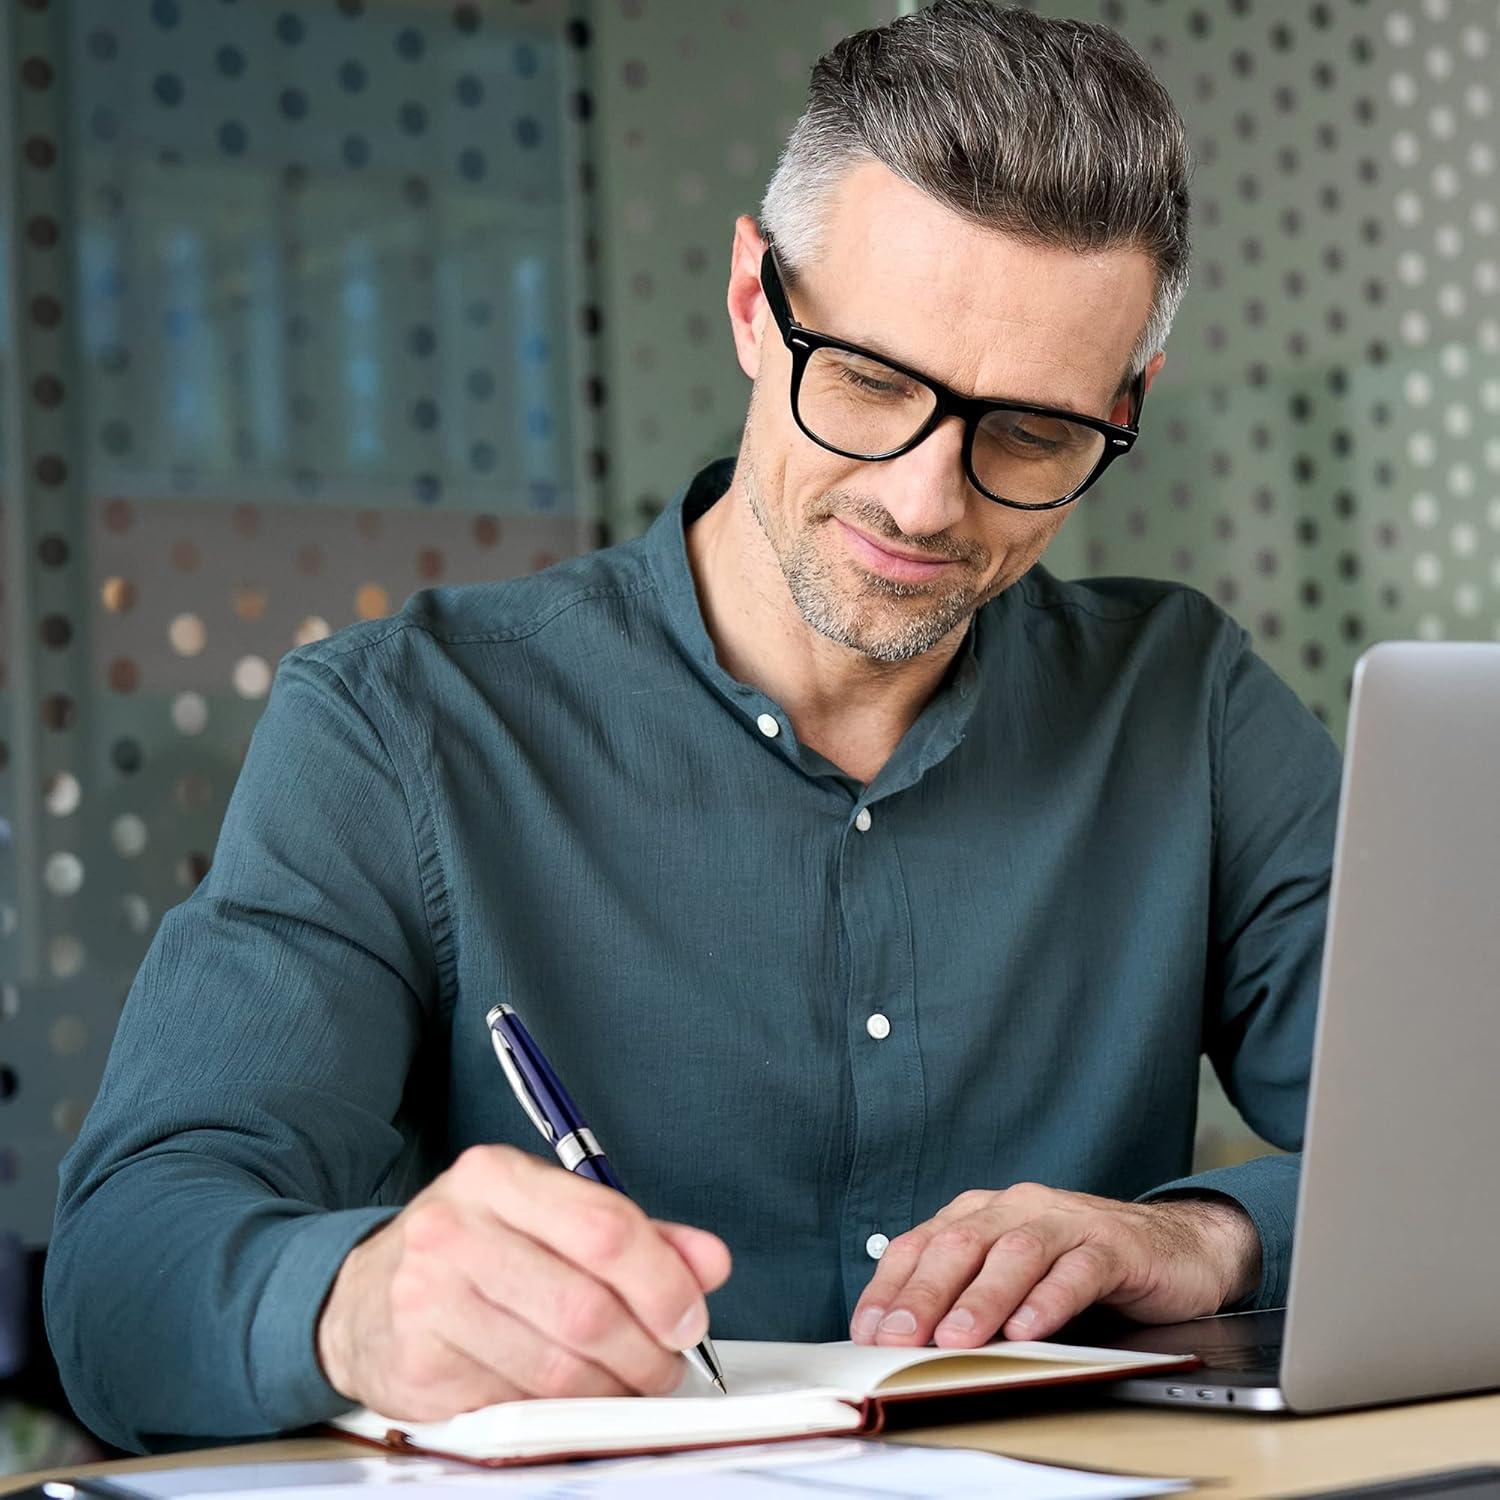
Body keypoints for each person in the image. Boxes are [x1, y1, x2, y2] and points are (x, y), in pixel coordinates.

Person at [46, 0, 1339, 1452]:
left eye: (1031, 434)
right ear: (750, 299)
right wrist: (351, 1304)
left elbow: (1463, 1154)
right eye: (867, 381)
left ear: (1127, 406)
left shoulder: (1189, 708)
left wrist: (1215, 1235)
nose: (924, 501)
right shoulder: (401, 729)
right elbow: (120, 1278)